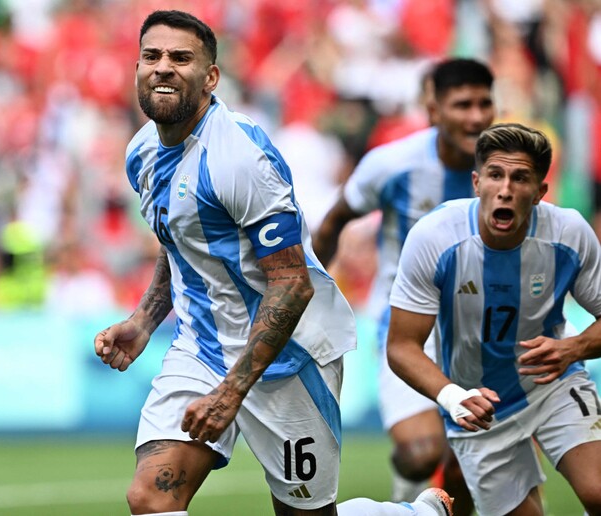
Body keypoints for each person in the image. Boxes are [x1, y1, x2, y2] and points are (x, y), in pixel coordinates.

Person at [94, 9, 454, 516]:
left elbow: (292, 283)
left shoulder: (240, 157)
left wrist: (232, 392)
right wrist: (145, 320)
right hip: (202, 349)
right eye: (152, 56)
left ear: (211, 77)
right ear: (136, 68)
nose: (163, 68)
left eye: (181, 58)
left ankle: (411, 514)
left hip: (289, 359)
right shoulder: (143, 153)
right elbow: (179, 238)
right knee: (151, 497)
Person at [387, 122, 601, 515]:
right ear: (476, 182)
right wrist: (454, 397)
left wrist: (574, 347)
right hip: (477, 407)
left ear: (539, 192)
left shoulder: (569, 234)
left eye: (521, 178)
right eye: (495, 175)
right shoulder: (435, 237)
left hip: (550, 385)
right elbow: (401, 346)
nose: (505, 189)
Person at [313, 57, 495, 511]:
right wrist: (311, 295)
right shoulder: (393, 164)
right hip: (409, 326)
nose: (474, 116)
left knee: (472, 462)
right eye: (462, 104)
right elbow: (336, 220)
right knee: (421, 456)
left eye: (483, 103)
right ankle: (408, 483)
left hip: (483, 331)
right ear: (434, 109)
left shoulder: (505, 168)